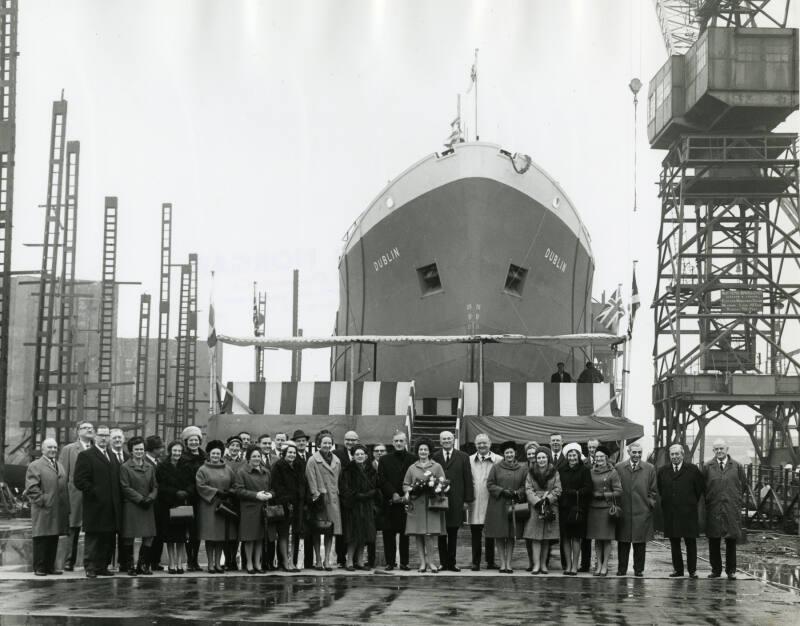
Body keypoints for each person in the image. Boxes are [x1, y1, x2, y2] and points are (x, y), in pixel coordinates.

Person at [73, 425, 122, 578]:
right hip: (95, 505)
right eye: (101, 435)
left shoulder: (112, 456)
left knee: (107, 538)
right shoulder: (86, 455)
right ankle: (90, 567)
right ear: (95, 436)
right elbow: (79, 480)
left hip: (111, 506)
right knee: (94, 537)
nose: (103, 438)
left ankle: (102, 566)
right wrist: (95, 492)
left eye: (106, 435)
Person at [657, 444, 704, 578]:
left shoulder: (692, 470)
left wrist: (689, 502)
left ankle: (692, 570)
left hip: (688, 512)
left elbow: (699, 489)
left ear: (682, 455)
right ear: (669, 456)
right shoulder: (663, 471)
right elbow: (661, 489)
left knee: (690, 541)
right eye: (672, 454)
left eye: (677, 454)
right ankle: (678, 570)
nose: (675, 457)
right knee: (674, 541)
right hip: (671, 512)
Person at [25, 438, 69, 576]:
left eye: (55, 447)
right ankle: (39, 567)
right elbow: (32, 488)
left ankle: (50, 567)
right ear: (43, 449)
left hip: (57, 508)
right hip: (43, 509)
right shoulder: (35, 465)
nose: (53, 450)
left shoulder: (59, 465)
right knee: (41, 537)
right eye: (50, 447)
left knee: (53, 537)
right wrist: (43, 500)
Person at [703, 439, 746, 580]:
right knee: (713, 539)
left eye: (721, 448)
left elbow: (743, 485)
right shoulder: (707, 466)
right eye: (716, 449)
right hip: (713, 507)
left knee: (731, 540)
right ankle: (716, 570)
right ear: (713, 451)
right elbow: (703, 487)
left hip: (731, 507)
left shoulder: (737, 466)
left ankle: (731, 571)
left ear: (727, 449)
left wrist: (735, 499)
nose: (719, 451)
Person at [431, 430, 473, 572]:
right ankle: (443, 563)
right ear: (440, 441)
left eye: (449, 438)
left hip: (456, 500)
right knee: (441, 533)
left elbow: (467, 479)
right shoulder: (435, 457)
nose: (447, 441)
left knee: (453, 532)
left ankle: (452, 562)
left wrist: (467, 500)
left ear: (453, 439)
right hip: (439, 499)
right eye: (444, 439)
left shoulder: (463, 456)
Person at [403, 438, 446, 573]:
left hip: (431, 505)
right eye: (420, 449)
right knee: (418, 534)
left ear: (429, 451)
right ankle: (422, 563)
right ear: (417, 451)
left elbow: (443, 483)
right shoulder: (412, 468)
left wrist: (435, 488)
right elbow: (405, 485)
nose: (423, 451)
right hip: (416, 505)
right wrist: (412, 489)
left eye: (425, 449)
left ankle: (431, 562)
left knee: (429, 535)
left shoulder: (436, 466)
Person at [615, 442, 657, 577]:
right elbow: (614, 486)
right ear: (629, 452)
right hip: (624, 510)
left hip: (642, 510)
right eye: (634, 452)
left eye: (639, 452)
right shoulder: (619, 467)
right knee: (623, 541)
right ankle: (622, 569)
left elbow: (653, 490)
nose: (637, 455)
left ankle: (639, 569)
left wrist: (649, 504)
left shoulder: (649, 468)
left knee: (640, 542)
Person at [195, 439, 238, 574]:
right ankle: (210, 564)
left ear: (221, 454)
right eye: (213, 453)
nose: (215, 456)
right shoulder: (203, 469)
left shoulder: (228, 469)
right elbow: (200, 486)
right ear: (209, 454)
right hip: (209, 505)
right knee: (210, 537)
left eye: (218, 454)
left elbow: (235, 484)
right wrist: (215, 492)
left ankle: (218, 564)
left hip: (223, 506)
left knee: (220, 537)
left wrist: (230, 492)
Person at [485, 441, 527, 574]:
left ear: (515, 453)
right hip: (498, 505)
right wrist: (502, 491)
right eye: (507, 452)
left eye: (511, 452)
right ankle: (502, 563)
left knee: (510, 535)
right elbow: (490, 484)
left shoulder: (522, 469)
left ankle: (509, 563)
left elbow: (525, 486)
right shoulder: (496, 467)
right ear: (503, 454)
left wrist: (517, 493)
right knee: (499, 534)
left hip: (514, 505)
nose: (509, 455)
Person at [119, 436, 158, 576]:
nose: (139, 452)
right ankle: (130, 565)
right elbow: (125, 487)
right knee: (129, 536)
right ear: (131, 451)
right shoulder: (125, 467)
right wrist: (140, 499)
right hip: (132, 505)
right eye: (136, 449)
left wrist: (151, 498)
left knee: (149, 535)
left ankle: (143, 565)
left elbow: (155, 486)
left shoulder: (150, 467)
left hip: (147, 505)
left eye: (141, 449)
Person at [58, 421, 94, 572]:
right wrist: (64, 498)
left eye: (91, 428)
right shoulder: (69, 449)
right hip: (75, 495)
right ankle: (69, 560)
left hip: (93, 495)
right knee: (73, 528)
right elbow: (63, 475)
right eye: (85, 428)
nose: (89, 430)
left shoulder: (97, 449)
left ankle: (90, 561)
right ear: (78, 431)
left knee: (93, 529)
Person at [378, 431, 415, 571]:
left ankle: (404, 562)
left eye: (401, 441)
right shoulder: (384, 459)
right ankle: (390, 562)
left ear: (406, 442)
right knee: (388, 533)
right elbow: (382, 479)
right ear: (392, 443)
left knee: (405, 534)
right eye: (396, 441)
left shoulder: (413, 458)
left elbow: (415, 478)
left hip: (406, 501)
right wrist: (393, 493)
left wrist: (407, 494)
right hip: (390, 501)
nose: (399, 443)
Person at [156, 440, 195, 574]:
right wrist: (174, 492)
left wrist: (187, 492)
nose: (177, 453)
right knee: (170, 537)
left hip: (183, 504)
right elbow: (160, 485)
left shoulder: (187, 465)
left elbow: (192, 483)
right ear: (170, 451)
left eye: (179, 451)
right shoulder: (162, 466)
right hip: (168, 504)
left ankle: (179, 563)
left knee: (181, 537)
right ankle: (171, 562)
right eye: (175, 450)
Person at [305, 433, 342, 571]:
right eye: (324, 443)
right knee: (317, 529)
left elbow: (338, 479)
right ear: (319, 444)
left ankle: (327, 559)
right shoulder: (312, 460)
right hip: (319, 500)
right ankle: (318, 559)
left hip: (333, 500)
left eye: (329, 443)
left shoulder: (337, 460)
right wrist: (316, 495)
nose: (327, 445)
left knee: (330, 530)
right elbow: (311, 479)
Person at [339, 443, 379, 570]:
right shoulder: (347, 470)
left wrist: (370, 494)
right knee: (353, 535)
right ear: (353, 456)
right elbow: (344, 489)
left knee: (364, 535)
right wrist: (358, 495)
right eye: (357, 454)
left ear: (366, 456)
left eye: (362, 454)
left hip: (367, 506)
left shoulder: (371, 470)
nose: (360, 456)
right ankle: (349, 561)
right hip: (353, 506)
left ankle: (361, 561)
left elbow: (376, 486)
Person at [234, 446, 273, 574]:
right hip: (249, 509)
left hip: (263, 508)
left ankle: (258, 564)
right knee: (249, 538)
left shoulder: (266, 472)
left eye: (258, 456)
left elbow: (272, 488)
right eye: (254, 456)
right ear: (248, 458)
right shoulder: (242, 472)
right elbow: (238, 490)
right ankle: (249, 564)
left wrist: (270, 494)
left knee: (260, 538)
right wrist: (256, 495)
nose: (257, 458)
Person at [271, 440, 307, 572]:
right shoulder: (278, 466)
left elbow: (302, 484)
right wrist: (287, 500)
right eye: (289, 452)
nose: (292, 455)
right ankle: (285, 561)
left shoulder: (298, 466)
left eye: (294, 453)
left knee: (294, 534)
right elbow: (276, 486)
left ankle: (292, 561)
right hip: (284, 505)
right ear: (284, 453)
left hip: (297, 505)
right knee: (284, 534)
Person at [524, 448, 561, 574]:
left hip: (550, 506)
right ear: (536, 459)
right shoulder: (530, 473)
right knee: (535, 538)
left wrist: (548, 499)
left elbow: (558, 489)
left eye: (543, 457)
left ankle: (544, 565)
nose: (541, 460)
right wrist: (537, 501)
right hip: (535, 507)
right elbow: (528, 489)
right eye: (539, 458)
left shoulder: (555, 472)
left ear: (548, 458)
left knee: (546, 538)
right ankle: (536, 565)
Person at [586, 446, 622, 576]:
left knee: (606, 539)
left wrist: (604, 495)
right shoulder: (591, 472)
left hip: (607, 509)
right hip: (593, 508)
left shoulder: (613, 472)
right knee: (597, 539)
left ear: (606, 458)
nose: (599, 459)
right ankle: (599, 565)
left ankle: (605, 565)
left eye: (601, 456)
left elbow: (619, 491)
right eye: (597, 457)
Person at [468, 433, 501, 571]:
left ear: (490, 444)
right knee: (475, 533)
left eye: (484, 443)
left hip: (492, 500)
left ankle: (490, 561)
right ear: (475, 445)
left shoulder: (498, 459)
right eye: (479, 443)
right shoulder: (469, 460)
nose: (482, 445)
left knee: (490, 533)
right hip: (475, 500)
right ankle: (475, 562)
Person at [558, 442, 592, 575]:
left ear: (578, 456)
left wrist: (575, 492)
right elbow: (558, 486)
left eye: (574, 455)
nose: (572, 458)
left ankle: (575, 566)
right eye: (570, 455)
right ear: (567, 457)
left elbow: (588, 488)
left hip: (578, 508)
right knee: (566, 538)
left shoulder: (585, 470)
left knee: (576, 538)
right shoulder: (561, 470)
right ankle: (568, 565)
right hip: (564, 508)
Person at [180, 426, 205, 572]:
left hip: (202, 498)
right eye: (191, 440)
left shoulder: (205, 456)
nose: (194, 442)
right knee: (189, 530)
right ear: (186, 442)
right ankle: (190, 560)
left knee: (198, 530)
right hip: (188, 498)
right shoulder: (182, 458)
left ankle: (195, 560)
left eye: (196, 440)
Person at [107, 427, 131, 572]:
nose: (117, 440)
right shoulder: (106, 456)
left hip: (126, 502)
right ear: (110, 440)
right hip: (110, 501)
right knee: (109, 534)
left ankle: (124, 562)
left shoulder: (129, 457)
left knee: (125, 534)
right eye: (114, 438)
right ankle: (109, 563)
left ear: (123, 440)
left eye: (119, 437)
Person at [334, 430, 359, 568]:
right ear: (344, 441)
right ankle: (340, 558)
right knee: (341, 529)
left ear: (357, 441)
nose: (350, 442)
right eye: (347, 439)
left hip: (357, 498)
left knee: (355, 529)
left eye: (353, 440)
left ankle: (354, 558)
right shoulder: (337, 454)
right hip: (341, 497)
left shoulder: (361, 453)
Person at [290, 429, 313, 569]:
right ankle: (292, 561)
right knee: (296, 531)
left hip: (309, 499)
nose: (301, 443)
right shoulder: (292, 457)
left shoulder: (311, 456)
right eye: (298, 441)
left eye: (303, 441)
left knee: (310, 531)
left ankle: (309, 562)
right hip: (297, 499)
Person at [579, 438, 600, 572]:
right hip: (586, 503)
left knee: (600, 535)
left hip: (600, 503)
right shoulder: (583, 463)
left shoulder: (607, 463)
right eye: (590, 447)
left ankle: (600, 564)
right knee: (585, 536)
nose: (592, 450)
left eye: (594, 447)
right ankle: (585, 564)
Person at [144, 435, 165, 571]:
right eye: (160, 448)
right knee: (150, 534)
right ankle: (147, 561)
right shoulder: (145, 462)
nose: (162, 450)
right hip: (150, 502)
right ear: (153, 449)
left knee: (159, 533)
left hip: (160, 503)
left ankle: (155, 561)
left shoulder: (159, 462)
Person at [367, 444, 387, 568]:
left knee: (388, 533)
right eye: (377, 451)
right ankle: (371, 560)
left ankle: (389, 560)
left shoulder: (388, 464)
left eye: (382, 451)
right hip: (372, 503)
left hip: (386, 502)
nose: (379, 453)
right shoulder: (369, 466)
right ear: (373, 453)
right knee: (371, 533)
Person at [523, 441, 540, 571]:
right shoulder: (524, 468)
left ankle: (541, 562)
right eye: (529, 454)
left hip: (540, 503)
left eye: (533, 453)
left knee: (541, 535)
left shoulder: (543, 465)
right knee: (528, 535)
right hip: (526, 504)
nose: (531, 456)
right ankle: (531, 562)